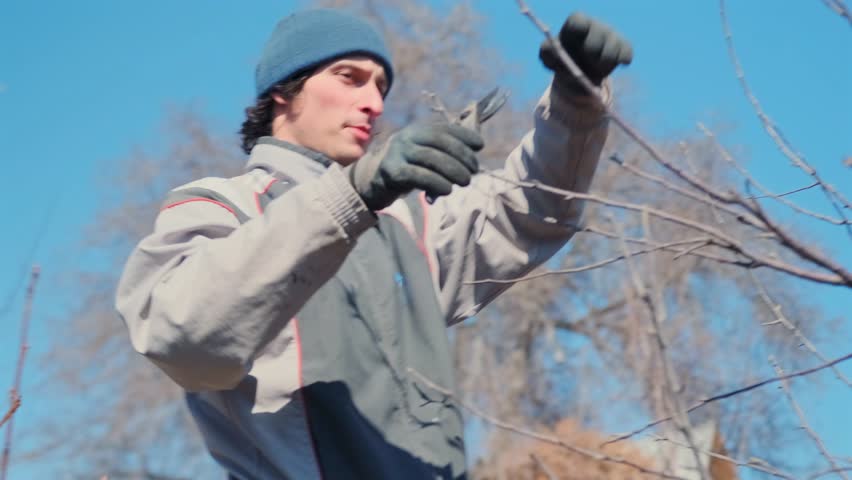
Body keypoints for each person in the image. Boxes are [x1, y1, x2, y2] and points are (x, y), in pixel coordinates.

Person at [115, 8, 632, 480]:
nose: (374, 102)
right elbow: (181, 335)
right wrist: (352, 193)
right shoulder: (222, 206)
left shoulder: (406, 223)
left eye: (381, 86)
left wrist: (575, 104)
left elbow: (530, 212)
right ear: (283, 90)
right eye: (349, 77)